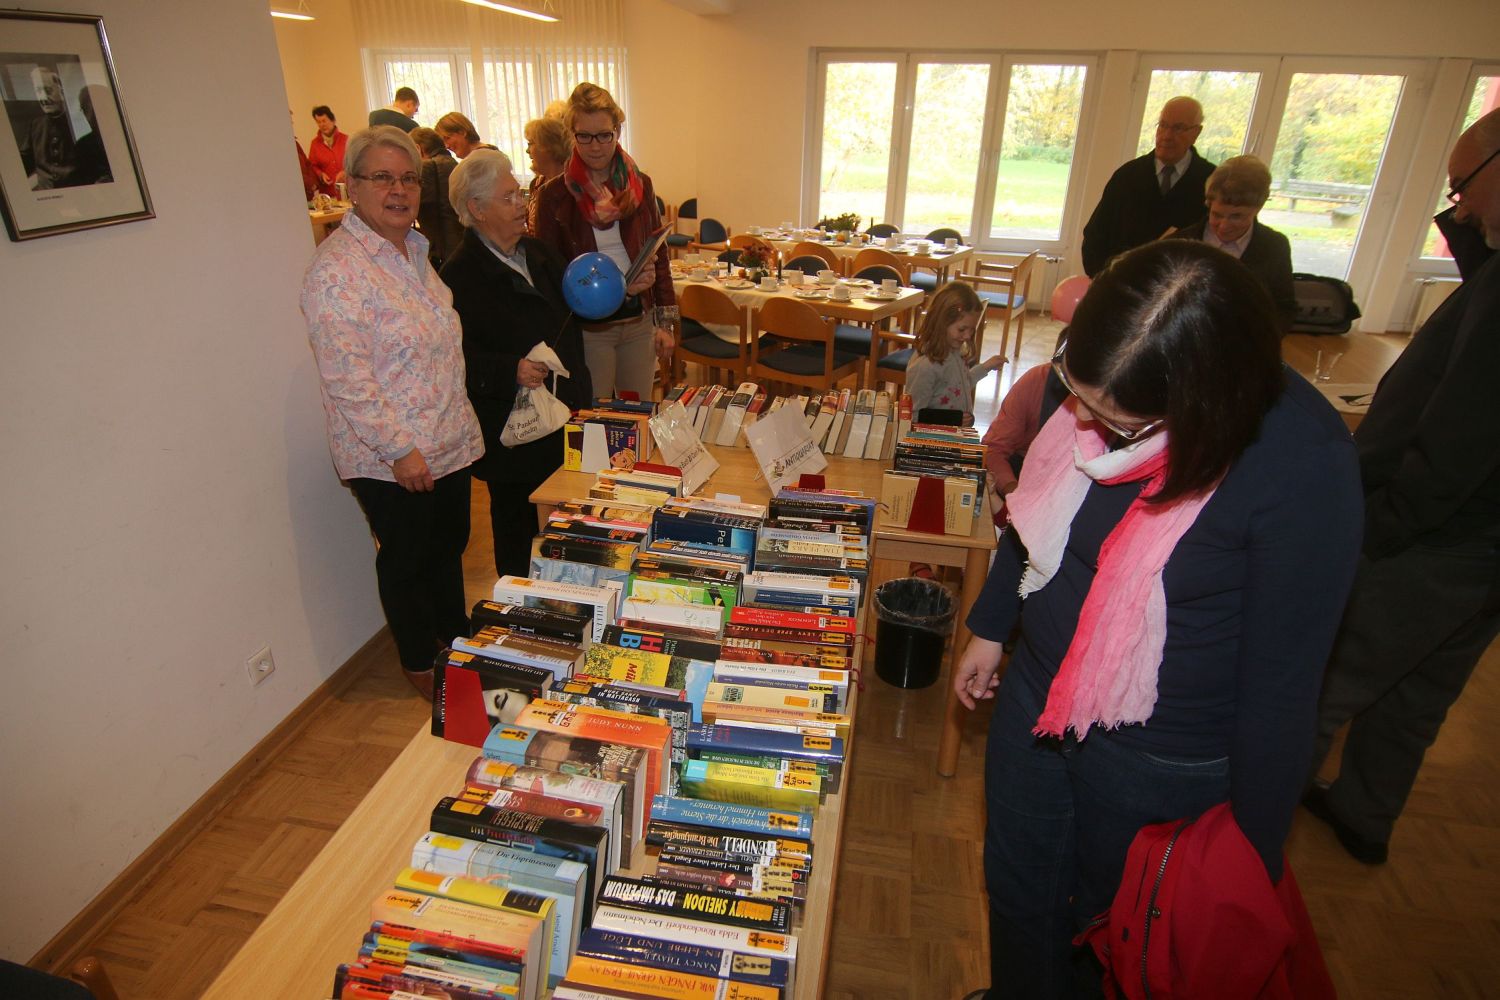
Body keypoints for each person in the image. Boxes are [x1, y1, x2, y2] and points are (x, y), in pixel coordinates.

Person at [952, 240, 1362, 998]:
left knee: (1121, 929)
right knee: (1018, 883)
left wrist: (1250, 861)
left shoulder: (1305, 464)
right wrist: (992, 621)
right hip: (1038, 689)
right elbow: (1039, 511)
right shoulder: (1108, 380)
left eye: (1118, 422)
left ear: (1200, 403)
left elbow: (1283, 689)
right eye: (1077, 391)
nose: (1084, 422)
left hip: (1162, 752)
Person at [1303, 109, 1500, 866]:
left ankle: (1251, 833)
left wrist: (1381, 526)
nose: (1459, 208)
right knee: (1420, 690)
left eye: (1463, 186)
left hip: (1436, 539)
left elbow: (1458, 439)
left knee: (1330, 681)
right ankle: (1363, 814)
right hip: (1476, 547)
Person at [301, 125, 483, 699]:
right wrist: (400, 450)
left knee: (447, 548)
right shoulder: (337, 271)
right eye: (382, 177)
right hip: (391, 455)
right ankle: (418, 659)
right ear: (352, 186)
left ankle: (454, 637)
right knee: (407, 559)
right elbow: (347, 378)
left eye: (408, 178)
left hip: (446, 438)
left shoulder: (415, 250)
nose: (398, 190)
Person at [440, 149, 593, 579]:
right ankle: (519, 603)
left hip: (565, 413)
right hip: (514, 429)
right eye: (507, 197)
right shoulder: (458, 277)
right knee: (519, 531)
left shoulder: (538, 253)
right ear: (476, 209)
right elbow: (454, 359)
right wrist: (510, 369)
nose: (521, 204)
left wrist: (627, 294)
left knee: (570, 524)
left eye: (519, 193)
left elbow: (579, 309)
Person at [534, 81, 674, 400]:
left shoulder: (640, 185)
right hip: (589, 330)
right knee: (594, 416)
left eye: (604, 135)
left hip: (638, 323)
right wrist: (624, 287)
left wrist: (665, 323)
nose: (595, 146)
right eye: (584, 136)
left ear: (617, 131)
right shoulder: (554, 196)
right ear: (572, 134)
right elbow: (548, 274)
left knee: (636, 411)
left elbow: (659, 254)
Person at [1081, 97, 1216, 277]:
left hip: (1180, 285)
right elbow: (1095, 236)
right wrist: (1106, 277)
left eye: (1178, 128)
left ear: (1196, 133)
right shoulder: (1127, 176)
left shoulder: (1210, 181)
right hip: (1122, 280)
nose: (1167, 136)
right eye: (1163, 125)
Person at [1167, 155, 1296, 332]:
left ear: (1258, 208)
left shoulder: (1275, 246)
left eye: (1237, 216)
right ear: (1208, 204)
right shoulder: (1181, 243)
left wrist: (1262, 338)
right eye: (1217, 214)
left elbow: (1284, 307)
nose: (1224, 226)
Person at [904, 281, 1003, 425]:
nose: (968, 336)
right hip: (936, 436)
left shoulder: (954, 351)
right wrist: (952, 419)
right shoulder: (925, 366)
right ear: (941, 323)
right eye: (962, 329)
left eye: (972, 330)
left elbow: (960, 385)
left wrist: (985, 367)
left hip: (955, 431)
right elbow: (912, 415)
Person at [411, 127, 464, 269]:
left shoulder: (425, 168)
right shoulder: (457, 165)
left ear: (418, 149)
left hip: (441, 251)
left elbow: (410, 208)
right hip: (461, 245)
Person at [21, 67, 78, 190]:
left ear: (62, 90)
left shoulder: (78, 123)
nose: (43, 98)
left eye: (48, 90)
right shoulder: (35, 125)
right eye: (38, 91)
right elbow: (24, 163)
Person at [524, 115, 569, 230]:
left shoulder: (571, 185)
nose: (527, 150)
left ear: (549, 146)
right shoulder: (536, 184)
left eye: (530, 143)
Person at [71, 84, 112, 185]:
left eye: (99, 108)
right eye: (85, 109)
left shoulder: (127, 140)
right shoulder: (82, 147)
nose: (91, 116)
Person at [307, 105, 348, 197]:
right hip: (328, 193)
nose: (322, 125)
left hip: (347, 190)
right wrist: (320, 174)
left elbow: (355, 163)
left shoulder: (346, 140)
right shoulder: (314, 144)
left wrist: (345, 172)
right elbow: (312, 165)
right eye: (318, 122)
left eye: (324, 121)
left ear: (333, 120)